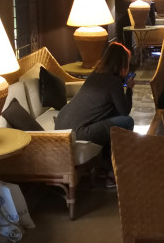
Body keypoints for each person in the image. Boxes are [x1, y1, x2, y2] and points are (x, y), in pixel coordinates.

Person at [54, 42, 135, 187]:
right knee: (127, 121)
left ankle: (104, 165)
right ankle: (112, 173)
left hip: (63, 124)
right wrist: (129, 89)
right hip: (79, 132)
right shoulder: (113, 81)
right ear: (122, 63)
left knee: (112, 117)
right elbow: (124, 111)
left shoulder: (95, 75)